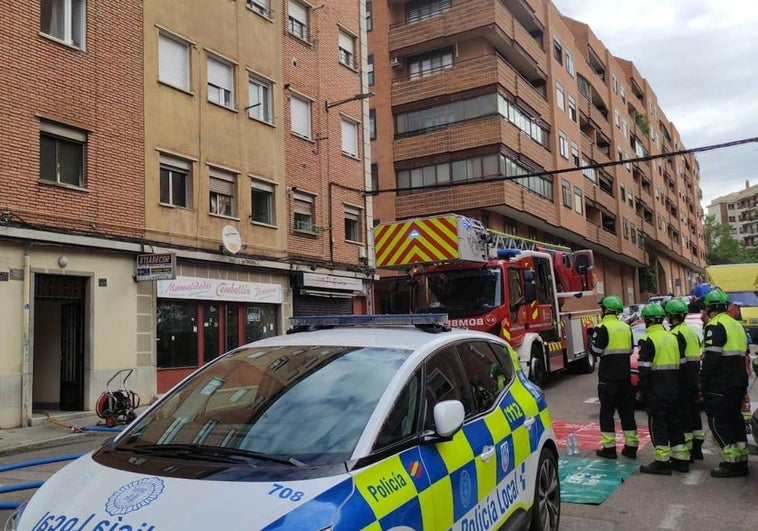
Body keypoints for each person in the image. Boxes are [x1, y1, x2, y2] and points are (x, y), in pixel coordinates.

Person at [700, 288, 750, 477]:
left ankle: (730, 462)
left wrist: (702, 383)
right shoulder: (736, 325)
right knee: (735, 420)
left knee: (717, 421)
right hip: (738, 381)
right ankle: (741, 460)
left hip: (720, 383)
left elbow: (711, 359)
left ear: (710, 308)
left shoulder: (715, 326)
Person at [637, 302, 689, 474]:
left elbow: (644, 369)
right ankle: (681, 460)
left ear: (647, 320)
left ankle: (662, 462)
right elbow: (683, 365)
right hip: (675, 387)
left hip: (656, 389)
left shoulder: (647, 339)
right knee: (675, 423)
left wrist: (641, 390)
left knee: (658, 424)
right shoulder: (673, 337)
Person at [590, 295, 639, 459]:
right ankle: (631, 448)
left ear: (605, 310)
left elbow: (596, 351)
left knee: (607, 414)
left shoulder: (602, 327)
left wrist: (592, 342)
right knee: (627, 414)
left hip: (608, 379)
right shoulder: (626, 327)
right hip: (625, 379)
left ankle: (609, 449)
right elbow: (631, 350)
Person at [664, 298, 704, 461]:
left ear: (672, 316)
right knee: (694, 414)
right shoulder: (691, 332)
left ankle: (686, 452)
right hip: (694, 379)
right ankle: (697, 449)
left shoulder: (674, 334)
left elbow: (676, 362)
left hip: (681, 381)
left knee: (683, 416)